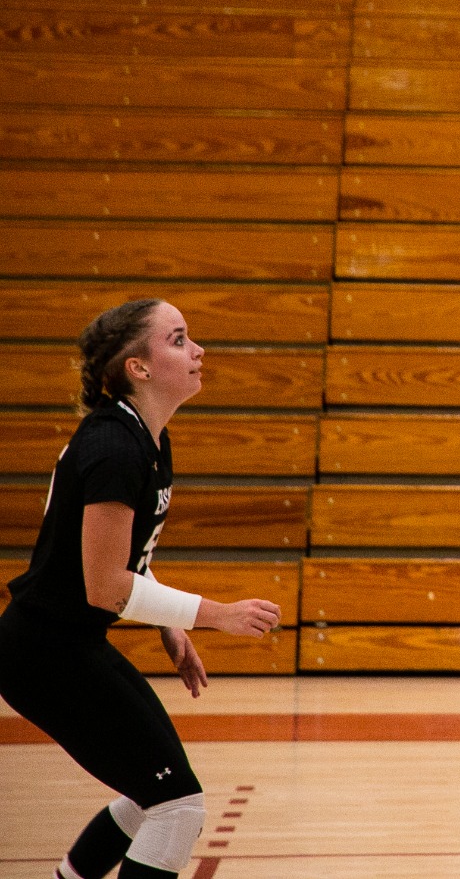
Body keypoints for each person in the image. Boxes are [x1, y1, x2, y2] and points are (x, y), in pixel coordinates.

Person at [0, 299, 283, 879]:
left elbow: (125, 562)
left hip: (64, 647)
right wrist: (216, 614)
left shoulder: (144, 437)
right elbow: (105, 587)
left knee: (150, 797)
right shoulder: (115, 447)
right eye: (178, 340)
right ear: (139, 368)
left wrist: (171, 625)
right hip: (44, 655)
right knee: (177, 808)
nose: (198, 350)